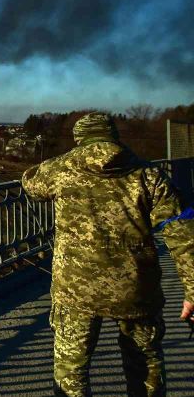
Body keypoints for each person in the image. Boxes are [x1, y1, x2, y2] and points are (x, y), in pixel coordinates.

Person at [22, 112, 194, 397]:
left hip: (76, 291)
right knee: (145, 367)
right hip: (136, 289)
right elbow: (183, 235)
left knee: (71, 373)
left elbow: (30, 182)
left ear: (79, 139)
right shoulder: (149, 175)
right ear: (115, 136)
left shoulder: (61, 170)